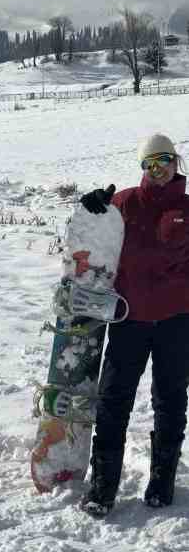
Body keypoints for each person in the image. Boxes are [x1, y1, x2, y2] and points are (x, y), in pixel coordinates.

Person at [78, 133, 189, 517]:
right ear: (142, 167)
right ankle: (102, 486)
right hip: (130, 320)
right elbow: (90, 238)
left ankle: (162, 482)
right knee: (113, 400)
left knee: (170, 400)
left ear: (176, 161)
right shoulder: (123, 203)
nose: (158, 170)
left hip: (177, 321)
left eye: (164, 160)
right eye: (149, 163)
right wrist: (92, 208)